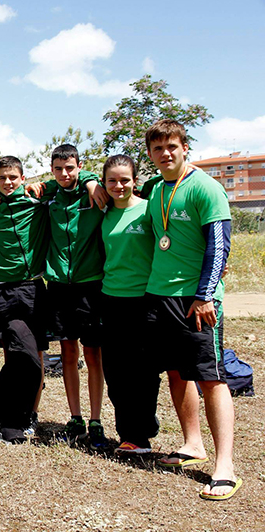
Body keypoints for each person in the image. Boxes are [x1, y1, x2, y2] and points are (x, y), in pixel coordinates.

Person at [144, 119, 239, 501]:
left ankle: (225, 465)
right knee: (176, 372)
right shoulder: (156, 190)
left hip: (196, 300)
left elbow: (219, 247)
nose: (166, 153)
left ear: (186, 148)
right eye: (158, 149)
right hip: (159, 295)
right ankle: (192, 444)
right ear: (150, 155)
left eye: (172, 146)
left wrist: (204, 296)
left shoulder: (206, 188)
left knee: (210, 377)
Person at [44, 144, 108, 449]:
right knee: (68, 353)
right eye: (58, 169)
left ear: (80, 166)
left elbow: (106, 184)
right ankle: (75, 417)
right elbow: (24, 187)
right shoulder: (49, 195)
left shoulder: (92, 192)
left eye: (70, 168)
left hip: (90, 287)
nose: (64, 174)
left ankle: (96, 420)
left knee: (93, 355)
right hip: (58, 287)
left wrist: (91, 180)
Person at [99, 155, 161, 455]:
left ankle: (140, 434)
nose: (119, 185)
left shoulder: (150, 210)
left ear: (135, 180)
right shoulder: (104, 212)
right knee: (115, 371)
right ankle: (128, 431)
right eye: (112, 180)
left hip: (144, 301)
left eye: (125, 179)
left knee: (143, 372)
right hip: (111, 300)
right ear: (104, 182)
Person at [0, 156, 48, 442]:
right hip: (2, 289)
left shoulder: (38, 203)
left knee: (35, 353)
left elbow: (69, 182)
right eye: (2, 178)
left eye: (13, 177)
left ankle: (31, 413)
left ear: (23, 178)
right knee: (12, 353)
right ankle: (8, 412)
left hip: (32, 286)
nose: (8, 182)